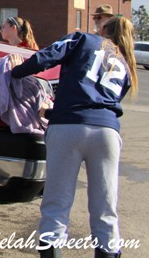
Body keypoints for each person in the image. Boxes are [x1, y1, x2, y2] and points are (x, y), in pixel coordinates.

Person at [10, 16, 137, 258]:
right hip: (107, 133)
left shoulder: (83, 39)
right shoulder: (126, 63)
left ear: (102, 29)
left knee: (56, 204)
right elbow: (101, 102)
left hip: (68, 128)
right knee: (105, 208)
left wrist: (17, 71)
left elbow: (46, 56)